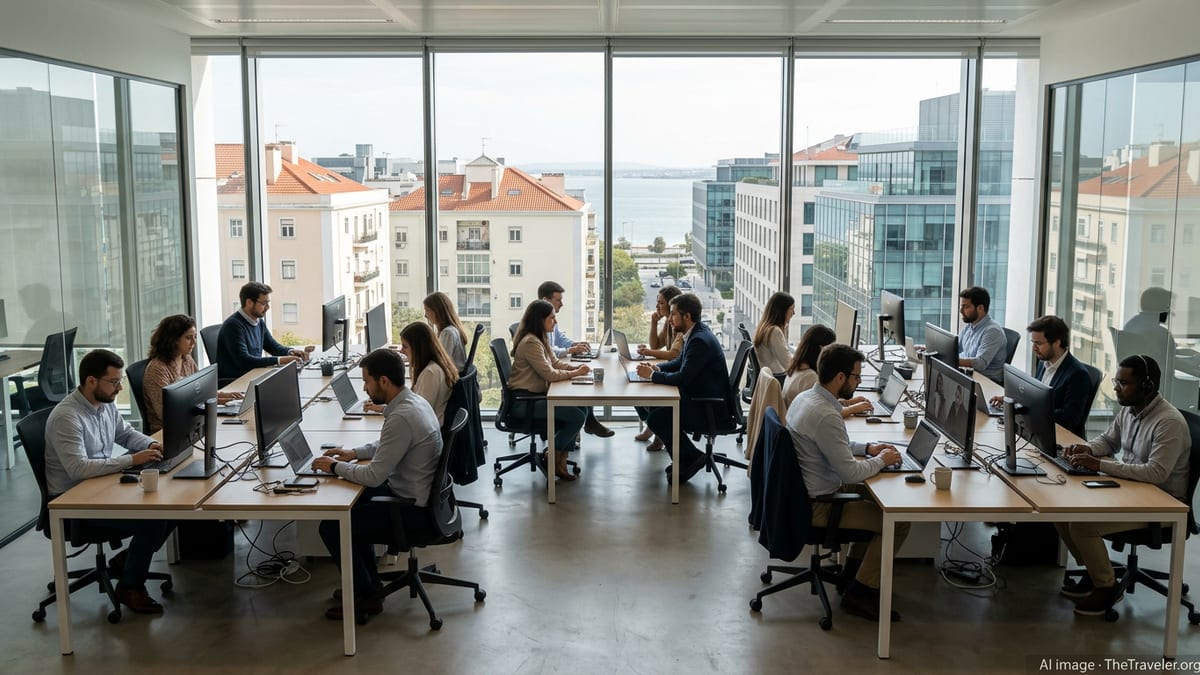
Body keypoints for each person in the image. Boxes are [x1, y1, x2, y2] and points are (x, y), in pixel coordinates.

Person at [313, 349, 442, 620]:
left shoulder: (401, 417)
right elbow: (389, 446)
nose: (364, 387)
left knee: (334, 525)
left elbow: (374, 476)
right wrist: (354, 454)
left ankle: (367, 596)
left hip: (411, 509)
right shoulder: (413, 402)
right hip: (423, 497)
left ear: (383, 381)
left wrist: (335, 467)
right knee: (355, 506)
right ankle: (367, 585)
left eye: (367, 381)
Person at [1056, 354, 1191, 616]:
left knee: (1082, 524)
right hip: (1131, 490)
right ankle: (1096, 573)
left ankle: (1106, 588)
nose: (1116, 388)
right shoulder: (1130, 409)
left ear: (1146, 387)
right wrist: (1086, 449)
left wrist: (1099, 465)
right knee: (1062, 510)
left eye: (1123, 383)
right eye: (1116, 381)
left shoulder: (1169, 423)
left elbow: (1156, 473)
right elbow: (1108, 442)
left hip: (1161, 504)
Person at [785, 344, 911, 621]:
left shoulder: (808, 399)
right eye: (856, 376)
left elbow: (833, 445)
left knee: (875, 499)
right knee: (898, 520)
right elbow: (851, 474)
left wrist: (869, 448)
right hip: (820, 505)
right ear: (840, 378)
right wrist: (883, 461)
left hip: (808, 489)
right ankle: (861, 592)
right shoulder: (828, 415)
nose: (858, 382)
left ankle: (851, 575)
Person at [44, 349, 175, 614]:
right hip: (75, 500)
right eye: (114, 382)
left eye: (119, 381)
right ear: (91, 381)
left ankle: (128, 562)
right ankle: (130, 586)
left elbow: (125, 434)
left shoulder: (105, 404)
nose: (119, 388)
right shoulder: (67, 417)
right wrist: (132, 460)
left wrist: (151, 444)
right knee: (155, 518)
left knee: (174, 504)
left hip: (102, 484)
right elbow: (78, 469)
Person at [636, 293, 729, 483]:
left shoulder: (699, 340)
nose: (669, 319)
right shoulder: (696, 333)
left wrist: (653, 375)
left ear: (687, 316)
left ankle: (691, 458)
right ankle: (687, 459)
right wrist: (657, 367)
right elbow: (680, 362)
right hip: (700, 397)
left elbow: (683, 378)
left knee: (658, 417)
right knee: (655, 409)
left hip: (708, 406)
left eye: (673, 314)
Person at [509, 299, 591, 480]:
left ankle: (561, 461)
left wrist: (576, 369)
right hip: (526, 402)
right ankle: (552, 456)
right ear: (540, 320)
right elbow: (550, 374)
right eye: (552, 318)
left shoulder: (540, 338)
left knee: (582, 408)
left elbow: (554, 362)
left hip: (536, 397)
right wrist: (576, 372)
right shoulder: (531, 342)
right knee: (577, 416)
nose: (555, 321)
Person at [988, 315, 1093, 437]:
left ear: (1057, 342)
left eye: (1038, 343)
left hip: (1060, 437)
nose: (1034, 348)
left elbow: (1069, 419)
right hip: (1038, 430)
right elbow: (1036, 397)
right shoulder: (1044, 363)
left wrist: (1030, 410)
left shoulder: (1078, 375)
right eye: (1033, 343)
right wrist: (1011, 400)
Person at [142, 314, 241, 434]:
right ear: (173, 340)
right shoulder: (157, 369)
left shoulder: (186, 358)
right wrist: (214, 401)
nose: (194, 342)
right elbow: (166, 413)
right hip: (169, 432)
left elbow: (200, 391)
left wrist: (225, 396)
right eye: (188, 338)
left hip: (193, 423)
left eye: (194, 337)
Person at [538, 280, 614, 437]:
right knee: (579, 383)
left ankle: (586, 423)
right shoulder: (539, 323)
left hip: (553, 368)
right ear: (546, 301)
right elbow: (547, 352)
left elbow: (559, 339)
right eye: (558, 300)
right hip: (542, 384)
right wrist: (569, 352)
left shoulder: (551, 319)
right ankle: (574, 431)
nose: (562, 304)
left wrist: (575, 345)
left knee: (584, 377)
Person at [216, 281, 311, 383]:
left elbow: (271, 346)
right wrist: (280, 360)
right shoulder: (233, 326)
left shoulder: (258, 321)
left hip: (254, 375)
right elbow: (244, 361)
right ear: (249, 302)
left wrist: (290, 352)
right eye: (263, 303)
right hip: (236, 382)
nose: (267, 307)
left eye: (268, 303)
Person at [781, 325, 872, 416]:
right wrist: (854, 409)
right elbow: (826, 411)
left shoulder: (798, 367)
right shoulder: (810, 377)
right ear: (822, 349)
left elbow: (825, 401)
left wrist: (848, 402)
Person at [634, 285, 684, 451]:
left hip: (677, 377)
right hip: (671, 370)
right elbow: (656, 344)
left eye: (660, 303)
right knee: (637, 391)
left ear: (670, 306)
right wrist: (654, 323)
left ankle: (658, 433)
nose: (657, 306)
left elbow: (673, 354)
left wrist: (647, 352)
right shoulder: (669, 323)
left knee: (646, 391)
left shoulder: (680, 326)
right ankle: (652, 427)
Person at [398, 321, 458, 426]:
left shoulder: (431, 373)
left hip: (427, 433)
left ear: (419, 348)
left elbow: (420, 414)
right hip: (428, 429)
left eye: (405, 346)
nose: (401, 351)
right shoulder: (435, 366)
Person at [957, 286, 1007, 383]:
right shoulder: (970, 326)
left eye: (965, 306)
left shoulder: (992, 331)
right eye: (961, 306)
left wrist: (951, 359)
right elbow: (955, 347)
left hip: (986, 382)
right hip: (969, 375)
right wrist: (933, 349)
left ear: (980, 308)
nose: (961, 310)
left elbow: (980, 363)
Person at [423, 291, 468, 373]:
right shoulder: (451, 329)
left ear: (437, 312)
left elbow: (441, 362)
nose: (425, 315)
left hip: (451, 379)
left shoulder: (448, 333)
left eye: (427, 310)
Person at [753, 292, 795, 376]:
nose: (793, 313)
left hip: (768, 378)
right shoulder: (774, 332)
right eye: (791, 309)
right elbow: (789, 364)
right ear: (782, 311)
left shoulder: (764, 328)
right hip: (777, 379)